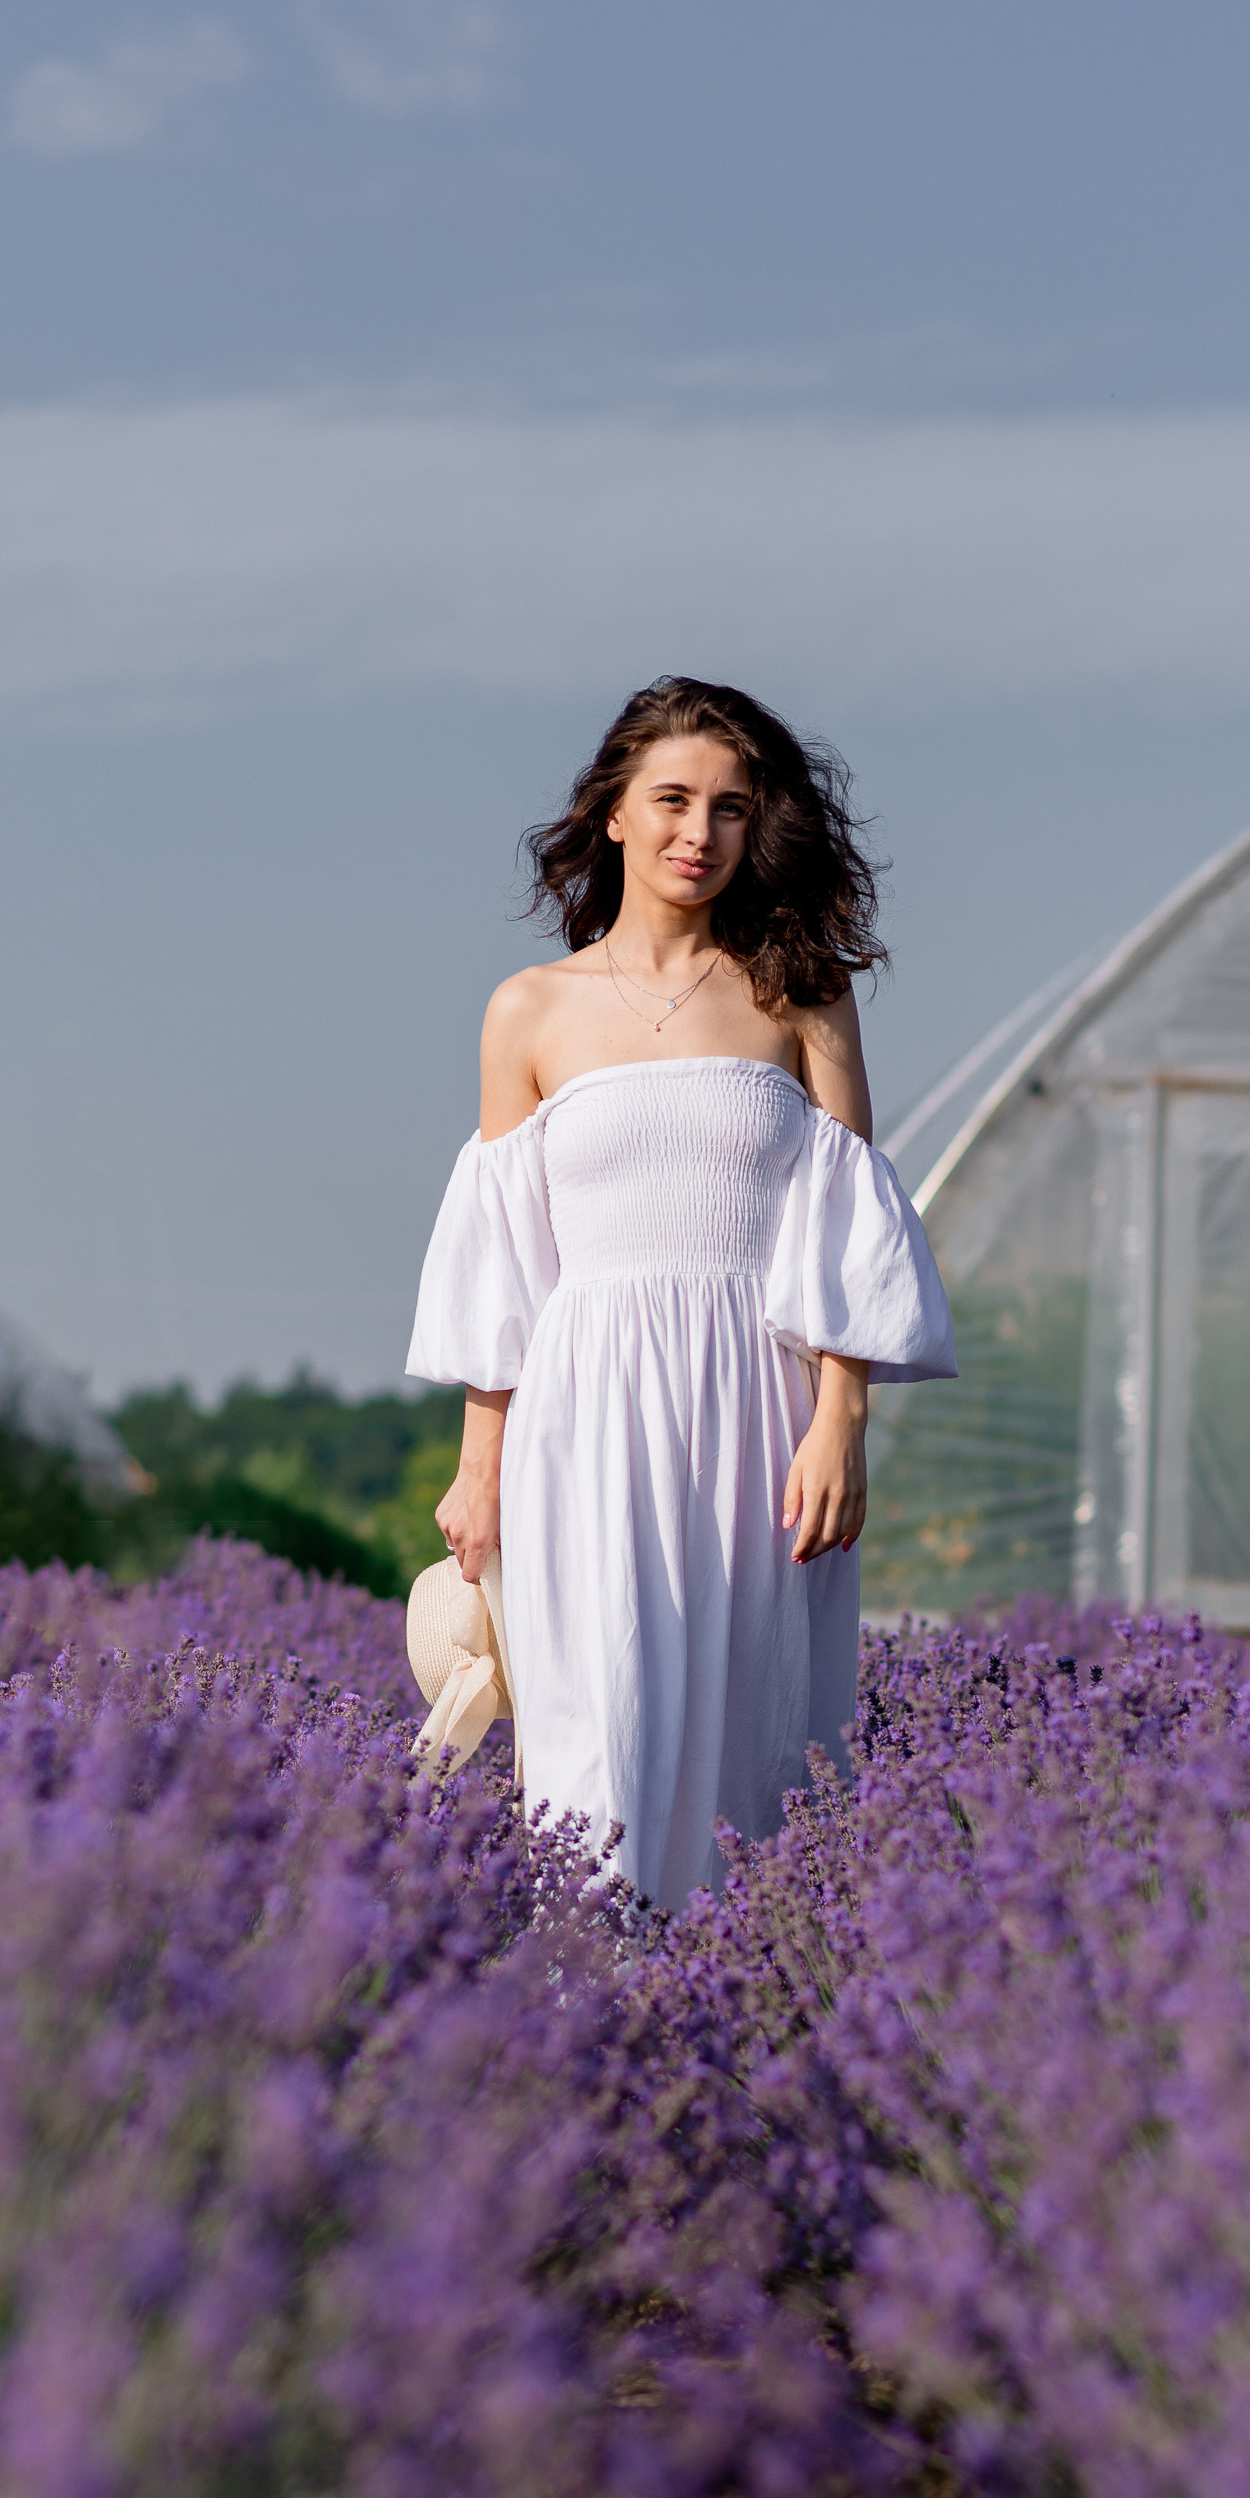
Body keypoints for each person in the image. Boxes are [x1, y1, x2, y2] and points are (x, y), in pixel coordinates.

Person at [406, 677, 956, 1906]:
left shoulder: (799, 989)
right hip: (580, 1410)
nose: (695, 832)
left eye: (728, 807)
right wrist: (478, 1463)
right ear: (611, 811)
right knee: (592, 1726)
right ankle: (591, 2027)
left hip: (763, 1416)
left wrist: (841, 1417)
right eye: (669, 799)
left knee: (758, 1737)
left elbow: (845, 1217)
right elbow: (505, 1260)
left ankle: (753, 2028)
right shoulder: (528, 1010)